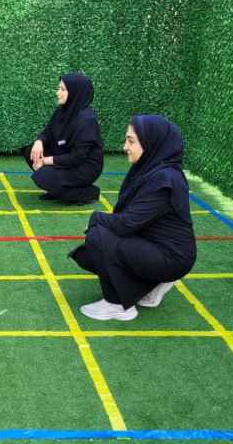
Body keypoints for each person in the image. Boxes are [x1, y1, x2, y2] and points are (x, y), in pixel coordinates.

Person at [68, 114, 196, 321]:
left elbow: (126, 224)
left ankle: (118, 305)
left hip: (171, 257)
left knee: (98, 236)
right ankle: (149, 285)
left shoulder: (164, 180)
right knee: (94, 250)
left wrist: (95, 218)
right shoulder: (152, 170)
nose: (125, 147)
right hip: (156, 246)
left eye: (131, 141)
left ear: (151, 142)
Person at [21, 72, 104, 204]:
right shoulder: (62, 110)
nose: (57, 93)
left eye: (63, 89)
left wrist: (45, 161)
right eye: (58, 88)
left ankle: (88, 193)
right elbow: (47, 132)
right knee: (31, 152)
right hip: (65, 155)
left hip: (84, 167)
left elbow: (77, 157)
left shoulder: (86, 120)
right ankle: (57, 189)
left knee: (43, 176)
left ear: (75, 93)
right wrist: (39, 141)